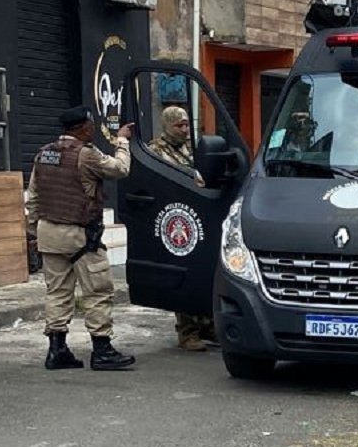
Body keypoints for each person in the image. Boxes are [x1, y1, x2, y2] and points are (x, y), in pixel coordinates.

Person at [26, 105, 136, 372]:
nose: (92, 128)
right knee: (98, 291)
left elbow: (34, 197)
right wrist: (122, 141)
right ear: (81, 127)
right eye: (90, 124)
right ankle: (102, 350)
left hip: (49, 233)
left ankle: (57, 350)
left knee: (57, 293)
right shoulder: (86, 155)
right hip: (80, 235)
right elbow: (120, 169)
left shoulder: (44, 154)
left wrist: (33, 233)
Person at [149, 105, 217, 352]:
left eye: (187, 124)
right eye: (179, 125)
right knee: (184, 274)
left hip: (197, 214)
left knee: (202, 271)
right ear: (167, 125)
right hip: (175, 217)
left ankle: (207, 325)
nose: (185, 130)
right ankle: (187, 331)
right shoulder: (156, 150)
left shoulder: (191, 148)